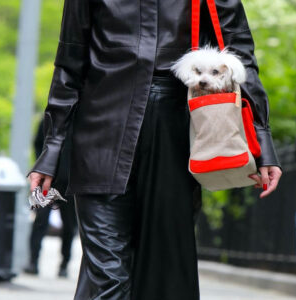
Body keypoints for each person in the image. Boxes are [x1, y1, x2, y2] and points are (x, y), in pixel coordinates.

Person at [28, 0, 282, 299]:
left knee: (164, 275)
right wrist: (52, 150)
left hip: (175, 138)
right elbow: (69, 64)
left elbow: (241, 59)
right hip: (101, 136)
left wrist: (262, 141)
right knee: (107, 275)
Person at [25, 119, 77, 278]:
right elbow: (37, 143)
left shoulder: (81, 120)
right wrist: (42, 167)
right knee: (40, 221)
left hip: (70, 182)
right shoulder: (49, 120)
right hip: (45, 181)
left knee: (69, 225)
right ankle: (33, 262)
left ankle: (64, 264)